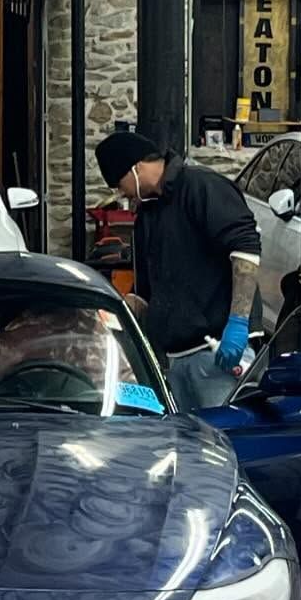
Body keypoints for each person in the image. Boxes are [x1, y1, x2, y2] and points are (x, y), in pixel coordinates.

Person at [95, 130, 261, 411]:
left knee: (221, 443)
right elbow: (148, 289)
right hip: (174, 358)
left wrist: (239, 323)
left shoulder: (202, 187)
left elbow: (245, 249)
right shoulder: (148, 214)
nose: (121, 193)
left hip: (217, 352)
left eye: (119, 184)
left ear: (136, 167)